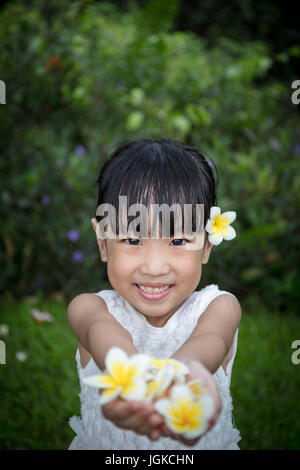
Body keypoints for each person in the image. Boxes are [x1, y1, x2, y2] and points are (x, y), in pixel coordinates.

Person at [67, 138, 242, 450]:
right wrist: (138, 381)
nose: (155, 267)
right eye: (133, 240)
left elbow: (209, 341)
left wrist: (181, 378)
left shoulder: (219, 307)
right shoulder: (89, 309)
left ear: (206, 246)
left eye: (177, 241)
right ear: (102, 240)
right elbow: (104, 336)